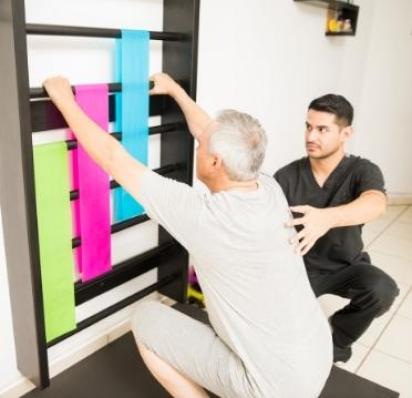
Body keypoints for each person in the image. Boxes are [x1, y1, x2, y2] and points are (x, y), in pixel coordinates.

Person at [43, 74, 332, 398]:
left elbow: (113, 158)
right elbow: (217, 138)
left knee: (145, 318)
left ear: (213, 160)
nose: (199, 143)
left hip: (273, 390)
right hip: (318, 356)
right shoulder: (268, 188)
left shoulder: (203, 216)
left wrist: (64, 99)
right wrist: (177, 92)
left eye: (201, 145)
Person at [274, 94, 399, 363]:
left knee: (382, 290)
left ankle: (338, 338)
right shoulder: (286, 176)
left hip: (346, 265)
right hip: (299, 268)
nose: (311, 136)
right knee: (279, 332)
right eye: (308, 126)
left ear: (346, 133)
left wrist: (326, 218)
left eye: (322, 129)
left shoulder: (361, 170)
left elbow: (376, 204)